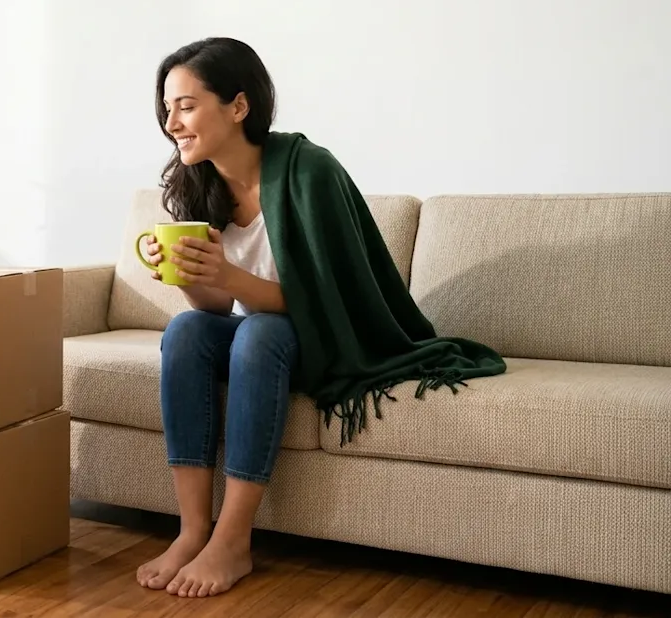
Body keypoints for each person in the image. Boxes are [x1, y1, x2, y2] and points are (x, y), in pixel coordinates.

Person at [133, 37, 506, 599]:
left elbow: (329, 301)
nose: (171, 124)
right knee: (186, 329)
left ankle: (233, 540)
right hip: (262, 342)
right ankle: (192, 532)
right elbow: (214, 310)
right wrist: (188, 275)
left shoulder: (309, 171)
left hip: (324, 340)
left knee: (259, 333)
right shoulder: (198, 181)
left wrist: (229, 276)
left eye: (185, 106)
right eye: (167, 109)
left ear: (238, 106)